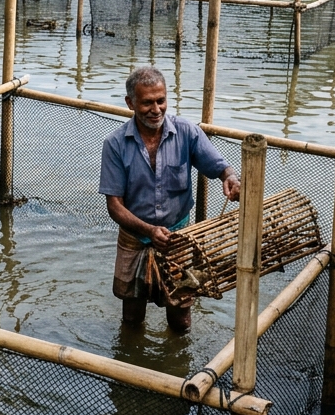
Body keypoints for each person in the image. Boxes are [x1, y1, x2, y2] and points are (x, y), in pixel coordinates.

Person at [99, 66, 240, 332]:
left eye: (161, 100)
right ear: (130, 103)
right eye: (147, 103)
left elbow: (220, 167)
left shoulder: (187, 132)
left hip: (178, 238)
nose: (156, 109)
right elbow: (114, 206)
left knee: (181, 316)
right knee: (131, 316)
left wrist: (231, 177)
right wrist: (149, 231)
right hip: (134, 238)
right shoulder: (115, 144)